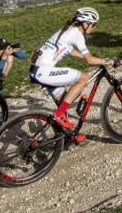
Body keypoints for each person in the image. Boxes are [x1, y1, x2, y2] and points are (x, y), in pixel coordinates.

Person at [30, 7, 111, 138]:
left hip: (35, 70)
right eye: (94, 25)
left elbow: (68, 50)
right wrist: (107, 61)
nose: (94, 28)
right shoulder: (77, 35)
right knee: (84, 77)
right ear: (85, 24)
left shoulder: (67, 29)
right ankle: (59, 114)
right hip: (43, 71)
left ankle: (68, 136)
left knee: (64, 101)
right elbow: (90, 61)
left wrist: (86, 56)